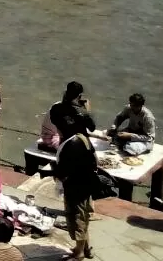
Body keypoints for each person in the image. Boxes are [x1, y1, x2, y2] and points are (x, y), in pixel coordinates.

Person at [54, 110, 98, 259]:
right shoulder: (82, 139)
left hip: (76, 187)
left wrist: (55, 173)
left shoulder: (70, 145)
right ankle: (85, 248)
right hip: (86, 184)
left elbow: (64, 170)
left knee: (77, 219)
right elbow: (93, 158)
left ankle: (79, 253)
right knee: (83, 217)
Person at [108, 93, 157, 157]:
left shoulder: (148, 117)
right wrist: (115, 126)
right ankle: (123, 145)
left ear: (141, 105)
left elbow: (149, 137)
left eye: (135, 106)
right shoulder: (129, 108)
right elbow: (120, 117)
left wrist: (130, 135)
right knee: (110, 134)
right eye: (131, 105)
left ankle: (126, 146)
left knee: (130, 148)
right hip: (131, 131)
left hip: (145, 140)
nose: (132, 107)